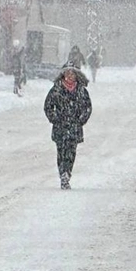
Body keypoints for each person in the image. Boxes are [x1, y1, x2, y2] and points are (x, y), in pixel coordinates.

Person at [44, 62, 92, 190]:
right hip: (60, 127)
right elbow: (48, 106)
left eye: (72, 73)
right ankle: (63, 174)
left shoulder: (81, 90)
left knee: (71, 152)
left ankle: (68, 172)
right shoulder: (56, 89)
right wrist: (54, 118)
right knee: (61, 152)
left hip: (74, 127)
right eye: (67, 72)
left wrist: (81, 119)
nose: (70, 75)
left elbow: (87, 107)